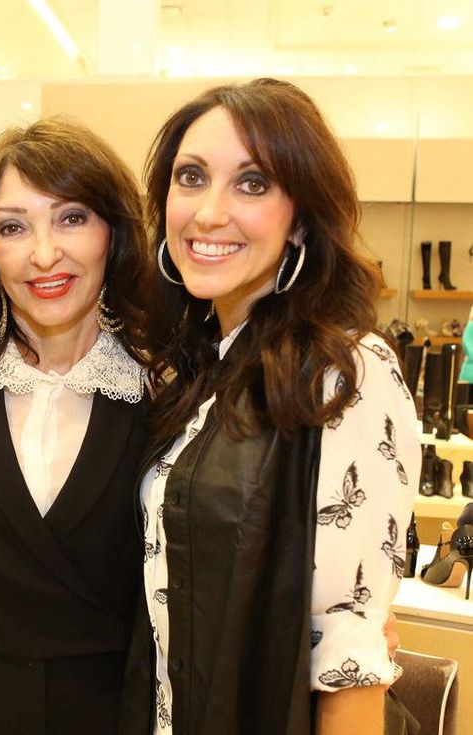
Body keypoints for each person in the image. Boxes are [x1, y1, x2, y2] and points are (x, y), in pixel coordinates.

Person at [119, 78, 419, 735]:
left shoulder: (346, 373)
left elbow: (350, 659)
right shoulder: (195, 370)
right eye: (191, 177)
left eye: (252, 183)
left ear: (302, 216)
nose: (208, 212)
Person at [0, 118, 153, 734]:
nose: (44, 254)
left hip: (116, 714)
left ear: (113, 234)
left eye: (72, 217)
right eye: (13, 227)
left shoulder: (171, 396)